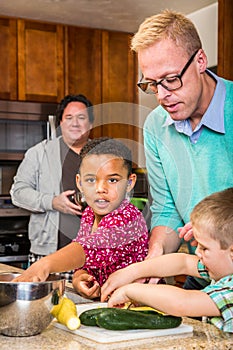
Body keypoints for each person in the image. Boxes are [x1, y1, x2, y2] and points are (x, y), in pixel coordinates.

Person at [131, 9, 233, 289]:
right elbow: (166, 210)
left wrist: (215, 225)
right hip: (200, 269)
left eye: (171, 79)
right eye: (152, 84)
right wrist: (155, 257)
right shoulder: (155, 126)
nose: (162, 95)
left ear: (200, 61)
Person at [13, 137, 149, 300]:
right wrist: (79, 277)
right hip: (107, 305)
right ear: (79, 182)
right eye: (91, 180)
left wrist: (44, 265)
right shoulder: (89, 215)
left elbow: (88, 248)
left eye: (112, 180)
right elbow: (86, 261)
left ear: (129, 183)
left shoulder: (127, 217)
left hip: (138, 308)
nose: (100, 189)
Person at [101, 188, 233, 333]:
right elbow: (183, 262)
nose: (196, 252)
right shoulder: (223, 267)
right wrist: (132, 271)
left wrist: (130, 291)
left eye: (204, 248)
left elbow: (182, 303)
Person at [10, 94, 94, 280]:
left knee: (90, 306)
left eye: (81, 118)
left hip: (92, 254)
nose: (75, 123)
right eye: (69, 118)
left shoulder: (101, 156)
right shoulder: (39, 153)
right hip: (48, 255)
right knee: (44, 306)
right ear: (60, 123)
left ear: (90, 125)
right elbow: (18, 192)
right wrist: (53, 202)